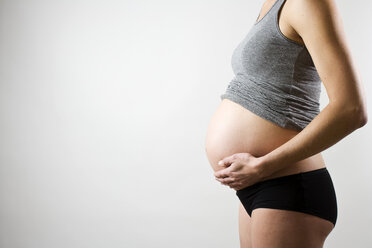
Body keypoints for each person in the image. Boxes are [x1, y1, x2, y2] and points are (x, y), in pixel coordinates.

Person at [204, 0, 368, 247]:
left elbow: (351, 109)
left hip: (287, 185)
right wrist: (257, 171)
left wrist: (263, 166)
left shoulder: (308, 2)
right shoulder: (273, 4)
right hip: (256, 183)